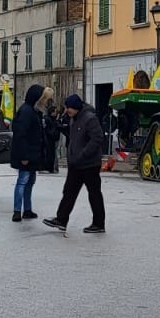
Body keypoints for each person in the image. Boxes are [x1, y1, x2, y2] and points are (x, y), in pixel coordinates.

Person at [43, 93, 106, 234]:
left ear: (77, 107)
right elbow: (74, 138)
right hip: (75, 164)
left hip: (89, 164)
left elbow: (97, 138)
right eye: (67, 107)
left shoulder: (90, 119)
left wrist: (84, 154)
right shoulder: (73, 119)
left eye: (70, 107)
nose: (67, 110)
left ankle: (99, 224)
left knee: (94, 193)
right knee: (69, 192)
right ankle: (61, 220)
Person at [10, 84, 48, 222]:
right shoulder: (27, 112)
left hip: (32, 154)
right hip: (27, 155)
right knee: (23, 181)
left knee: (29, 181)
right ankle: (17, 211)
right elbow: (21, 135)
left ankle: (27, 210)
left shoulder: (32, 111)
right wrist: (24, 156)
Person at [40, 101, 61, 173]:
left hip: (51, 139)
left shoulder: (51, 119)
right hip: (49, 140)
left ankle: (51, 168)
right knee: (50, 153)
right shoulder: (48, 119)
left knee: (52, 154)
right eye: (55, 112)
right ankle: (48, 168)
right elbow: (50, 129)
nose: (56, 113)